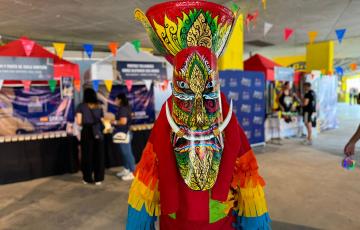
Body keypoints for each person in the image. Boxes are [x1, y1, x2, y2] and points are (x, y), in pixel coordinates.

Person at [127, 2, 271, 229]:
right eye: (185, 96)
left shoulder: (228, 119)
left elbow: (249, 186)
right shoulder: (166, 119)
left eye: (207, 96)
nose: (199, 117)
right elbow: (145, 186)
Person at [76, 88, 105, 185]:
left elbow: (79, 122)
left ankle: (88, 178)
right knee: (99, 154)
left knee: (87, 155)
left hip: (87, 131)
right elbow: (102, 119)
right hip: (97, 131)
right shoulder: (99, 106)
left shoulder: (81, 106)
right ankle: (99, 178)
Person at [112, 93, 135, 181]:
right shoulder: (126, 108)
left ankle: (133, 172)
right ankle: (126, 169)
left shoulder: (123, 109)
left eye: (116, 99)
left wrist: (113, 122)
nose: (115, 101)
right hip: (124, 133)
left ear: (119, 100)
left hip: (124, 133)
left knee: (127, 153)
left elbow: (123, 121)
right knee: (124, 153)